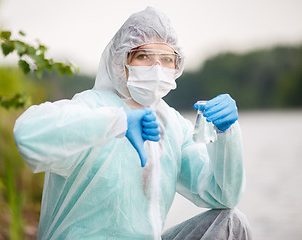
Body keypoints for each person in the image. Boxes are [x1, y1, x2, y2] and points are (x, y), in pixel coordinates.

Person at [13, 7, 252, 240]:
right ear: (121, 61)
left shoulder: (172, 125)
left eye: (167, 58)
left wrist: (225, 133)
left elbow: (223, 196)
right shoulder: (91, 107)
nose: (157, 68)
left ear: (176, 66)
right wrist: (117, 122)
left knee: (232, 223)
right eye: (144, 56)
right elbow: (28, 136)